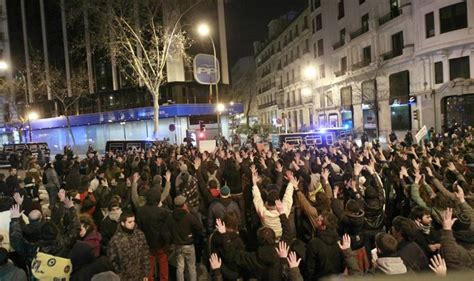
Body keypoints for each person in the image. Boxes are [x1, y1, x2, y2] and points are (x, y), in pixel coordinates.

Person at [137, 171, 172, 281]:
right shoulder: (163, 212)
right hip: (161, 243)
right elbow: (167, 229)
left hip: (147, 243)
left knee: (149, 267)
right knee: (163, 265)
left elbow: (139, 227)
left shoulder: (140, 211)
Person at [166, 195, 203, 281]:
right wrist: (194, 237)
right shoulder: (189, 217)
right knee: (191, 267)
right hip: (189, 244)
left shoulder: (170, 217)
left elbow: (167, 230)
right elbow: (199, 228)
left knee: (180, 267)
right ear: (184, 205)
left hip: (177, 244)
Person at [107, 211, 149, 281]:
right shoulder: (115, 240)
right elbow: (112, 261)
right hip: (124, 277)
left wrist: (145, 273)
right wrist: (119, 274)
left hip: (139, 275)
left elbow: (145, 254)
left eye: (133, 221)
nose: (133, 223)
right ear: (123, 223)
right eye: (129, 222)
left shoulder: (139, 235)